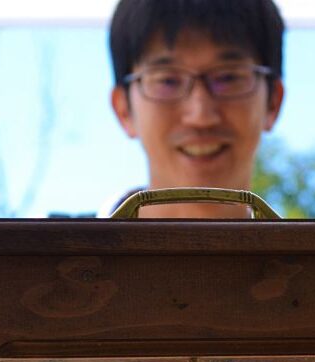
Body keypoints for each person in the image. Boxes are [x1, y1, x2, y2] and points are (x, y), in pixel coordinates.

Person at [97, 0, 285, 219]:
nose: (201, 116)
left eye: (228, 77)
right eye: (167, 80)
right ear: (123, 109)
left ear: (273, 100)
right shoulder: (55, 250)